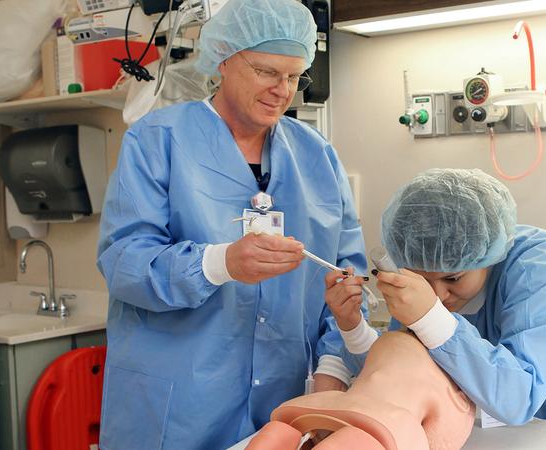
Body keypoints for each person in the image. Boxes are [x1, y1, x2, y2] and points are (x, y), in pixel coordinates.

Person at [96, 1, 366, 448]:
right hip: (178, 408)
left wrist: (331, 373)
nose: (283, 90)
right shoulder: (157, 140)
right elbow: (124, 263)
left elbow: (345, 282)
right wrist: (218, 263)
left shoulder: (317, 156)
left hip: (281, 410)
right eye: (266, 71)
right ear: (224, 59)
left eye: (294, 77)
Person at [325, 168, 546, 437]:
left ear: (487, 255)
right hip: (508, 434)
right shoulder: (428, 286)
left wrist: (430, 318)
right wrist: (352, 326)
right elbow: (397, 370)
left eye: (453, 279)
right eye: (422, 279)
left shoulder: (543, 269)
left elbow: (518, 398)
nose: (437, 296)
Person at [246, 331, 475, 450]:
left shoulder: (391, 340)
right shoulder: (456, 394)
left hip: (326, 403)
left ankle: (276, 436)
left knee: (282, 434)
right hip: (383, 423)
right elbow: (439, 440)